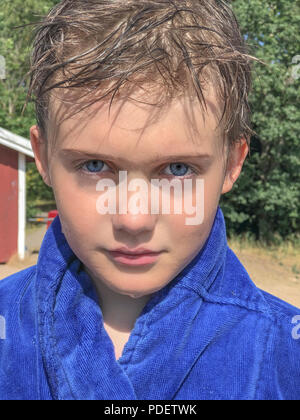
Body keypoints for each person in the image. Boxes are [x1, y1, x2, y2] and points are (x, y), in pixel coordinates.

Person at [0, 0, 299, 400]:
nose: (134, 219)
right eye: (94, 165)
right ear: (43, 157)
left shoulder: (286, 353)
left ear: (231, 163)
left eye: (177, 170)